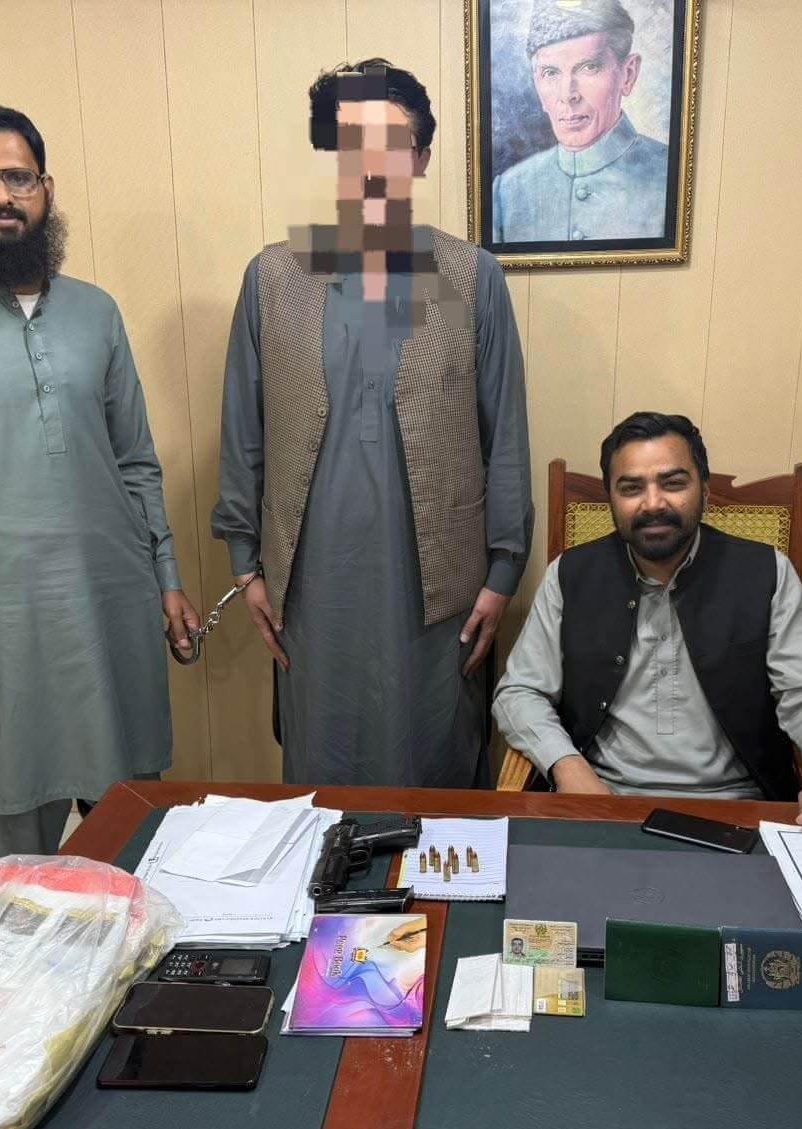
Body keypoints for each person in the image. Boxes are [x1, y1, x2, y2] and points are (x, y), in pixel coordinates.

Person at [0, 104, 200, 863]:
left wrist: (167, 578)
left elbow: (135, 459)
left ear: (46, 188)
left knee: (130, 823)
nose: (2, 197)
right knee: (8, 839)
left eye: (18, 178)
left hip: (110, 599)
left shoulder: (95, 311)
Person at [212, 59, 532, 790]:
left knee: (435, 763)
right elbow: (243, 432)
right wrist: (243, 562)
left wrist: (503, 572)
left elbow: (504, 435)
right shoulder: (275, 278)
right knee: (323, 767)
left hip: (439, 587)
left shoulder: (468, 277)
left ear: (421, 158)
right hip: (312, 584)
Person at [494, 413, 802, 832]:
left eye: (673, 483)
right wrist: (568, 767)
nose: (653, 503)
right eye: (631, 488)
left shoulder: (767, 573)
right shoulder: (569, 575)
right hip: (603, 803)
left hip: (738, 810)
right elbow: (520, 692)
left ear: (704, 490)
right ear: (611, 499)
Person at [492, 0, 669, 244]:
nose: (567, 95)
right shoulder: (508, 192)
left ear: (628, 74)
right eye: (550, 73)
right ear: (536, 82)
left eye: (589, 67)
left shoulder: (670, 177)